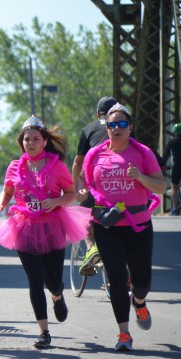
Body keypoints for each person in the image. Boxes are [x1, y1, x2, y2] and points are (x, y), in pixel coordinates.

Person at [0, 115, 91, 349]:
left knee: (52, 281)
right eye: (27, 139)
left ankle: (57, 296)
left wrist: (55, 202)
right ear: (21, 143)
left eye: (36, 138)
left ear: (44, 141)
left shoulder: (57, 166)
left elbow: (70, 194)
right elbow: (7, 191)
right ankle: (44, 331)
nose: (31, 143)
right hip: (23, 225)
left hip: (52, 225)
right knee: (34, 280)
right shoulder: (15, 166)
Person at [78, 103, 166, 351]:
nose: (116, 129)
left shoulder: (143, 153)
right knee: (116, 280)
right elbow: (83, 184)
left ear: (130, 127)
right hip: (108, 226)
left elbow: (161, 186)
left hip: (138, 226)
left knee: (142, 281)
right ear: (105, 127)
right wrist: (82, 192)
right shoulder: (94, 155)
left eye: (122, 124)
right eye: (111, 124)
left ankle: (138, 302)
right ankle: (124, 334)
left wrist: (140, 177)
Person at [72, 96, 118, 272]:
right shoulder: (126, 126)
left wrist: (74, 188)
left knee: (84, 216)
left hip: (96, 181)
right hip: (121, 184)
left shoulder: (89, 128)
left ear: (98, 114)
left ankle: (92, 249)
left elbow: (78, 162)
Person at [163, 123, 181, 215]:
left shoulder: (172, 141)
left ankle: (175, 209)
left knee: (174, 189)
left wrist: (163, 164)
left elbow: (166, 155)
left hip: (176, 166)